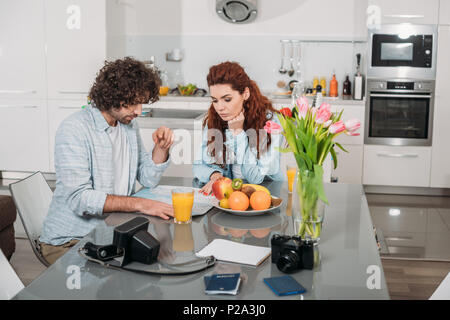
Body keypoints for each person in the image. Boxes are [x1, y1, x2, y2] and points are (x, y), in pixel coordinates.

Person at [39, 57, 175, 264]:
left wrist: (160, 149)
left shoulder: (128, 126)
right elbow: (79, 199)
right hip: (72, 240)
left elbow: (148, 179)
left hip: (111, 231)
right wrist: (140, 204)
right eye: (133, 102)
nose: (139, 111)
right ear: (112, 95)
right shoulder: (74, 129)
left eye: (141, 103)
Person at [193, 61, 284, 195]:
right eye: (215, 100)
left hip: (266, 194)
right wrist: (215, 175)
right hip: (230, 197)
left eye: (227, 99)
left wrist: (238, 134)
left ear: (245, 94)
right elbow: (199, 164)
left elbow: (255, 178)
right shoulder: (215, 120)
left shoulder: (270, 122)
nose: (219, 108)